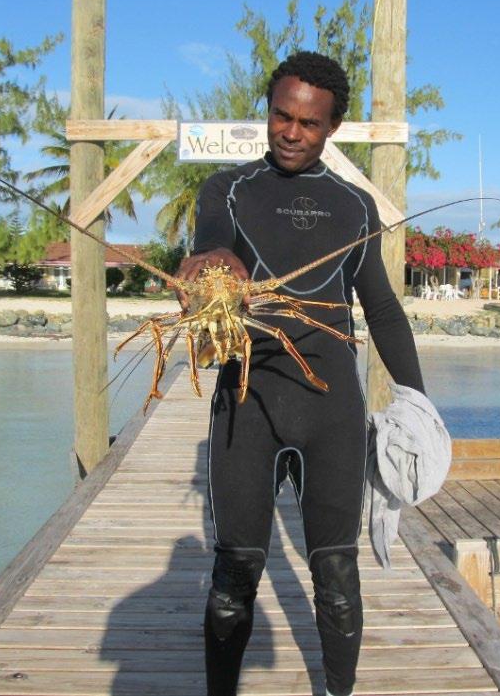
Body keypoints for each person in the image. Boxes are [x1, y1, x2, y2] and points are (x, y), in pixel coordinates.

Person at [176, 51, 425, 696]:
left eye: (308, 123)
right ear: (268, 111)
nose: (290, 132)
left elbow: (385, 312)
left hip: (332, 408)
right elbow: (211, 245)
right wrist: (212, 267)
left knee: (338, 575)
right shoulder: (226, 190)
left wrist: (419, 402)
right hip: (246, 397)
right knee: (234, 574)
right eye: (280, 116)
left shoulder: (354, 206)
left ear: (332, 128)